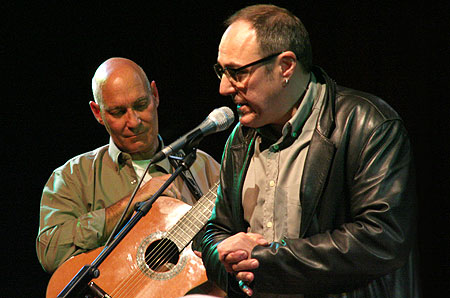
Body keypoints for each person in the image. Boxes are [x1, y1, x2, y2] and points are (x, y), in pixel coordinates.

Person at [201, 4, 420, 298]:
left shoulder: (367, 124)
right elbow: (216, 232)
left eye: (237, 72)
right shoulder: (240, 139)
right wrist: (223, 256)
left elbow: (383, 238)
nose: (225, 88)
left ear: (286, 66)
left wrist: (265, 261)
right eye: (221, 71)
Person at [36, 57, 221, 274]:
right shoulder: (72, 177)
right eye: (117, 112)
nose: (133, 122)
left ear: (155, 95)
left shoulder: (202, 166)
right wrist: (128, 204)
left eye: (141, 105)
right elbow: (50, 252)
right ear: (98, 113)